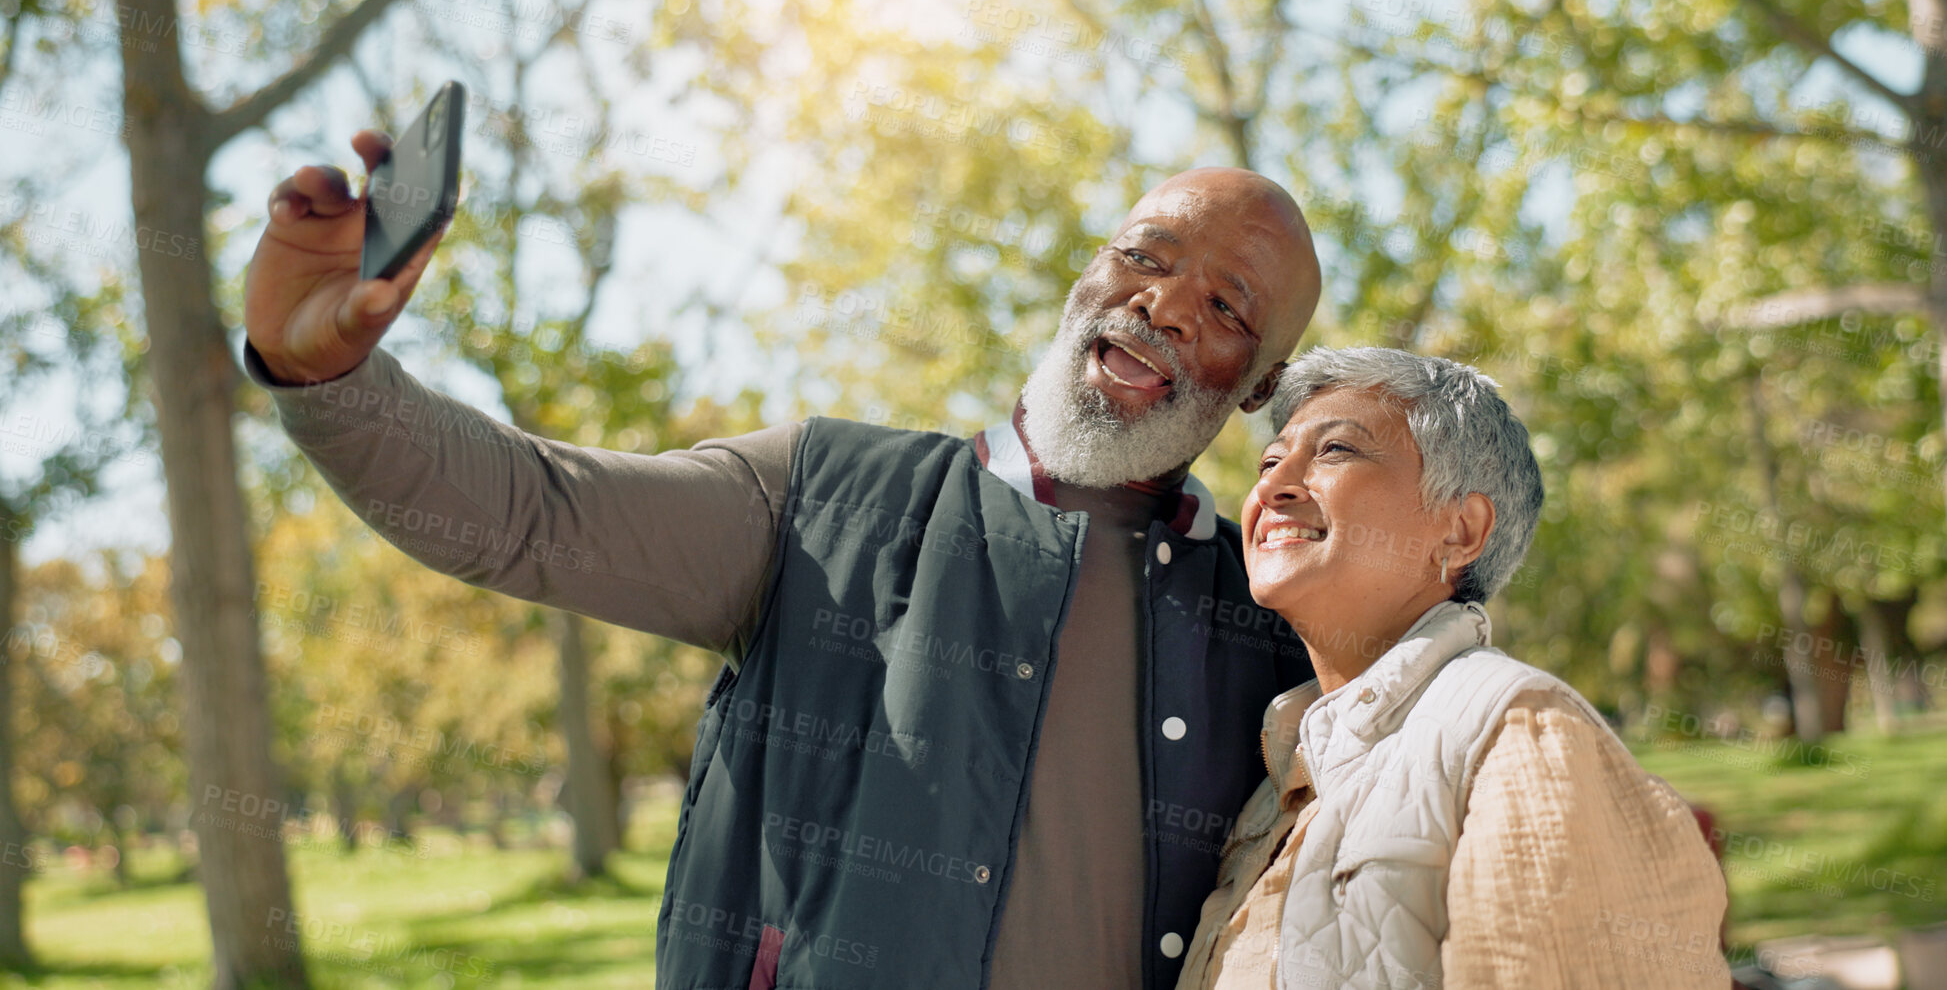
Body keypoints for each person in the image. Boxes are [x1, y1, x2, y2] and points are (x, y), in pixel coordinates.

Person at [240, 129, 1324, 989]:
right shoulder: (823, 496)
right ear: (1093, 268)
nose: (1167, 305)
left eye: (1227, 306)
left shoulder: (1283, 620)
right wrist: (328, 378)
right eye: (1146, 253)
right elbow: (525, 513)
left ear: (1260, 385)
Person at [1174, 347, 1730, 990]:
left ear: (1461, 531)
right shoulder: (1276, 793)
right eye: (1269, 461)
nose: (1271, 487)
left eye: (1335, 451)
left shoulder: (1520, 733)